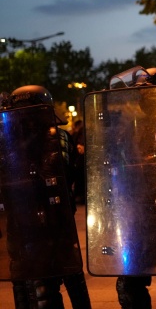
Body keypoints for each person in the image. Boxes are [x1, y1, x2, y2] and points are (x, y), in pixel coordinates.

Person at [0, 85, 91, 309]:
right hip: (23, 223)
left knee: (54, 284)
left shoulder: (55, 138)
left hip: (53, 221)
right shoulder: (9, 142)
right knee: (24, 284)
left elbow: (59, 174)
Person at [114, 67, 156, 309]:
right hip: (140, 210)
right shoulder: (134, 125)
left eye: (148, 91)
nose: (142, 97)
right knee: (129, 279)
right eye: (139, 92)